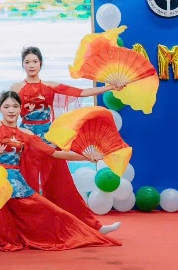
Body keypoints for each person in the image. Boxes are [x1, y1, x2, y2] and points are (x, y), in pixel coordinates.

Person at [0, 91, 120, 252]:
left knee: (51, 211)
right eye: (6, 106)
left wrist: (86, 157)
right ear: (0, 108)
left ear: (21, 109)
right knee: (2, 226)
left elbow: (53, 153)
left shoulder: (26, 134)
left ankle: (93, 231)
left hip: (16, 184)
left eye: (15, 106)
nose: (11, 110)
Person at [10, 46, 121, 234]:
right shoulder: (16, 88)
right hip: (27, 141)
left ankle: (92, 226)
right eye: (27, 62)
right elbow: (10, 113)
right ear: (22, 65)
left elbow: (80, 92)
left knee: (61, 186)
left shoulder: (50, 86)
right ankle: (26, 229)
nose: (31, 65)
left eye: (34, 61)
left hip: (50, 139)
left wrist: (109, 87)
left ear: (41, 64)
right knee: (27, 184)